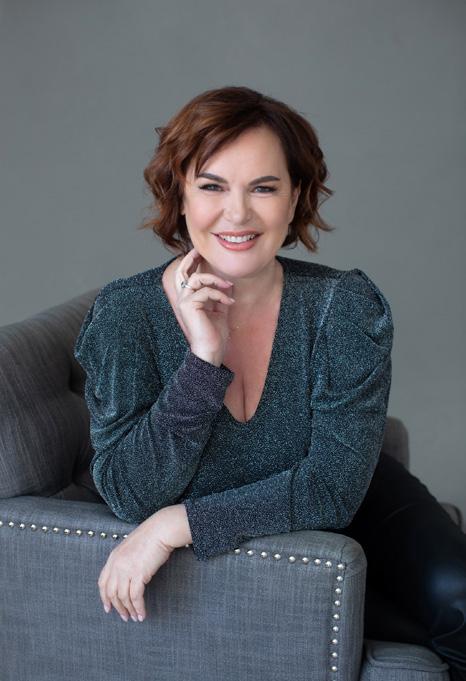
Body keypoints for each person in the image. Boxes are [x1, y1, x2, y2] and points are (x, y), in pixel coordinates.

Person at [73, 85, 466, 678]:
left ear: (295, 197)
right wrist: (203, 362)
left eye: (263, 188)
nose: (237, 214)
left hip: (359, 504)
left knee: (459, 603)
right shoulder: (126, 315)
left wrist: (176, 525)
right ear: (179, 194)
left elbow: (334, 488)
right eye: (212, 186)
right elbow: (131, 494)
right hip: (275, 552)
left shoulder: (343, 306)